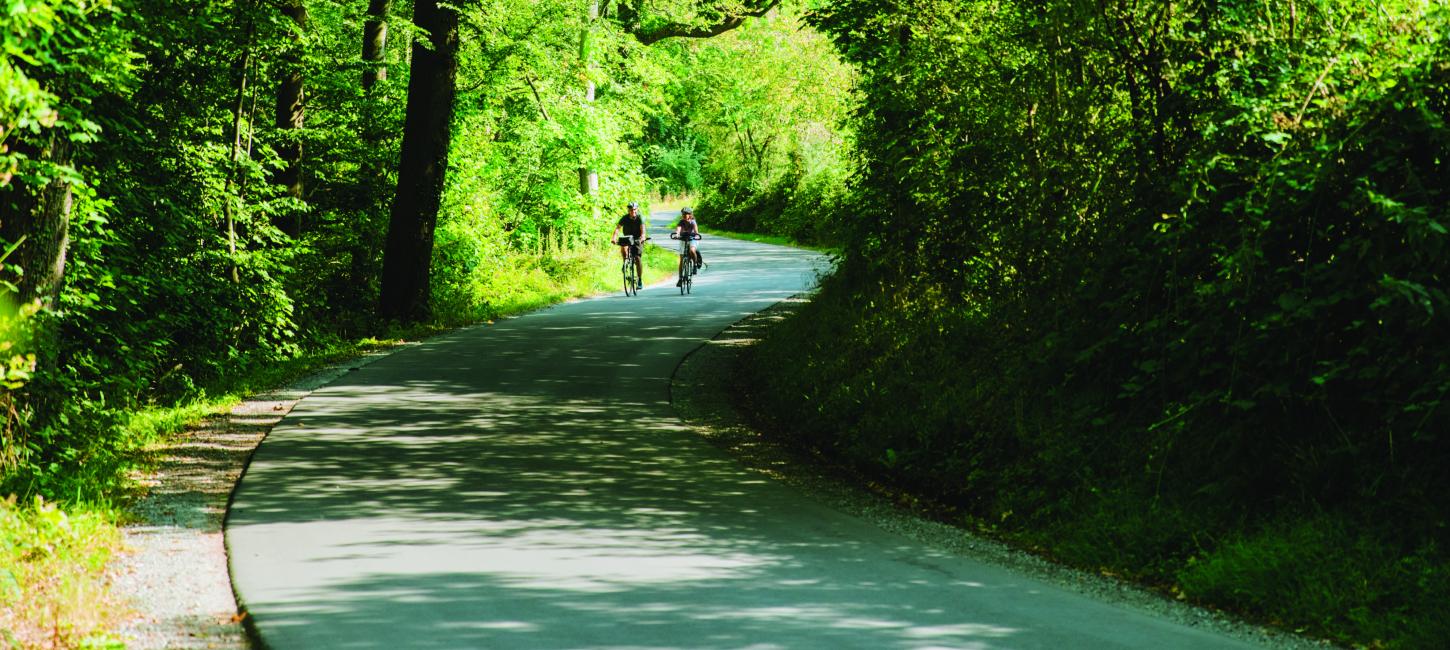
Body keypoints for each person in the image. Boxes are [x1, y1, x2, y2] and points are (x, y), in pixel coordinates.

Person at [612, 201, 647, 285]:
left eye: (634, 210)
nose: (633, 211)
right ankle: (625, 262)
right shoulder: (625, 218)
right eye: (631, 210)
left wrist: (642, 237)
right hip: (627, 237)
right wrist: (614, 237)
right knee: (623, 247)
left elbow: (643, 229)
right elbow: (617, 228)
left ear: (637, 209)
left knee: (637, 258)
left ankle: (639, 280)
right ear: (628, 210)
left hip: (637, 238)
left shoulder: (640, 217)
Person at [673, 207, 704, 287]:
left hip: (692, 239)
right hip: (683, 239)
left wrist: (696, 235)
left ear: (690, 215)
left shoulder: (693, 222)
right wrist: (677, 234)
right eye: (683, 214)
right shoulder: (681, 222)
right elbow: (678, 229)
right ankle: (680, 279)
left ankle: (694, 265)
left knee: (692, 250)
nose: (684, 215)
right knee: (682, 259)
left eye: (685, 214)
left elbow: (696, 231)